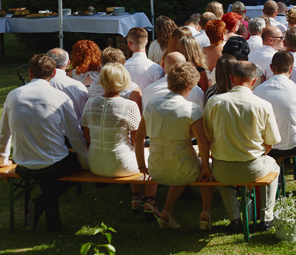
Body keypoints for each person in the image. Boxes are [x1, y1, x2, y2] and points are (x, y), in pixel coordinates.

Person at [0, 54, 89, 231]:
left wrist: (3, 159)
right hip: (54, 165)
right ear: (54, 73)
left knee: (50, 172)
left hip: (23, 164)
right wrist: (85, 162)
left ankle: (53, 221)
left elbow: (4, 134)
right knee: (70, 165)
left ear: (30, 73)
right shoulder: (60, 97)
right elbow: (75, 135)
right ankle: (41, 204)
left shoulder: (13, 95)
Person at [135, 62, 214, 230]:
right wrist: (206, 167)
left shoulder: (152, 105)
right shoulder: (191, 108)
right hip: (183, 169)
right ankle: (205, 212)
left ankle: (167, 210)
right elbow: (203, 143)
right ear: (190, 86)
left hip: (156, 170)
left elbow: (138, 139)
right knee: (206, 169)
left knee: (178, 164)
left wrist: (142, 166)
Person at [204, 60, 281, 232]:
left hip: (222, 169)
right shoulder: (263, 105)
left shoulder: (214, 102)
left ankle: (235, 219)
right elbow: (270, 142)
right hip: (253, 168)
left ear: (232, 78)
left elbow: (207, 136)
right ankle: (266, 218)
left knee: (222, 170)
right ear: (254, 81)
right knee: (274, 167)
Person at [82, 63, 158, 217]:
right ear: (124, 81)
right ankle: (150, 201)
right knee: (152, 154)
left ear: (101, 81)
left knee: (131, 151)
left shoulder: (90, 103)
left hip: (95, 163)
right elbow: (137, 141)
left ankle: (136, 197)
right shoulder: (129, 105)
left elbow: (87, 136)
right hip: (122, 165)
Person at [87, 48, 143, 113]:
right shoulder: (133, 89)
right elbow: (138, 116)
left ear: (102, 65)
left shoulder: (93, 85)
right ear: (123, 65)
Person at [47, 47, 90, 121]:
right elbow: (86, 115)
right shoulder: (78, 87)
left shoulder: (35, 86)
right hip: (73, 127)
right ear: (68, 64)